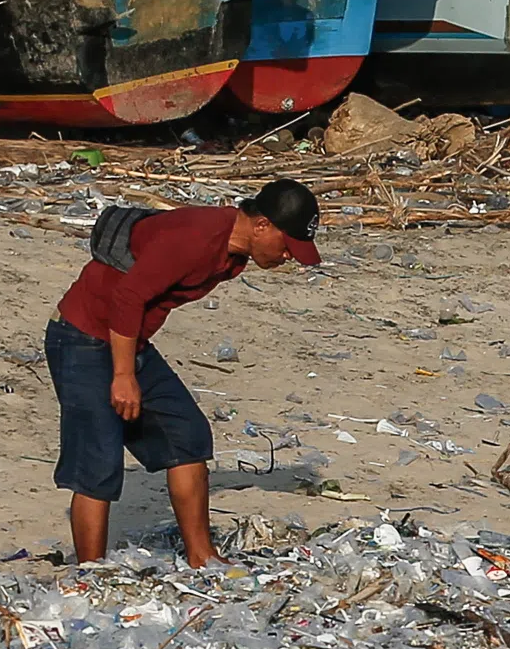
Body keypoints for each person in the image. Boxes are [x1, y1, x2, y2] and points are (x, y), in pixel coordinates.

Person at [47, 179, 318, 568]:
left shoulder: (233, 256)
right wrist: (123, 376)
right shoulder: (197, 239)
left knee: (186, 435)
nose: (288, 257)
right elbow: (128, 297)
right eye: (288, 246)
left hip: (128, 340)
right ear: (261, 226)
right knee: (98, 461)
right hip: (82, 337)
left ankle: (202, 556)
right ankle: (91, 572)